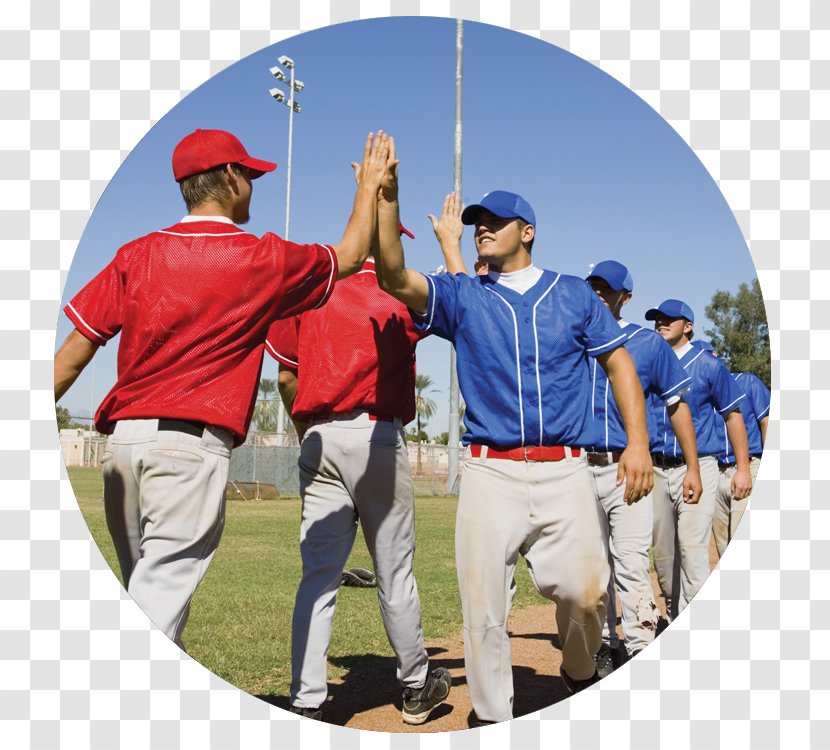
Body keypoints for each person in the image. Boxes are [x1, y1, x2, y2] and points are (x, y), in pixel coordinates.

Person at [53, 127, 392, 647]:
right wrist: (369, 187)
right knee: (155, 609)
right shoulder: (262, 258)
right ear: (231, 177)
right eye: (250, 175)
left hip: (121, 448)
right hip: (187, 452)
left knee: (149, 600)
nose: (253, 185)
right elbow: (348, 256)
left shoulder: (136, 253)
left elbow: (74, 353)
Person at [374, 183, 653, 726]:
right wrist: (387, 205)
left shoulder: (573, 294)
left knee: (588, 591)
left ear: (527, 232)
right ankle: (491, 715)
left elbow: (620, 366)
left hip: (565, 468)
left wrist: (637, 443)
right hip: (489, 470)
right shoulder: (464, 295)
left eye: (497, 220)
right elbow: (394, 277)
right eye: (478, 221)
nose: (483, 227)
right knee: (483, 609)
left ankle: (577, 664)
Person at [265, 187, 451, 725]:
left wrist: (306, 429)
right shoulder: (401, 294)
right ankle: (416, 685)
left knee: (318, 577)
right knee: (395, 571)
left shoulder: (310, 284)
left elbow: (284, 374)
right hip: (377, 437)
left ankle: (307, 699)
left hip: (320, 435)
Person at [583, 262, 702, 673]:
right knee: (592, 565)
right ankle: (605, 643)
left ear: (625, 297)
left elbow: (677, 406)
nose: (598, 292)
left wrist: (693, 467)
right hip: (578, 466)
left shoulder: (648, 344)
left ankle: (638, 648)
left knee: (631, 562)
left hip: (627, 466)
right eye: (593, 285)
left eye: (607, 287)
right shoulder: (573, 337)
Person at [646, 300, 752, 622]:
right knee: (664, 559)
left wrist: (744, 469)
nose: (661, 323)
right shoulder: (650, 362)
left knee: (692, 552)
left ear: (688, 326)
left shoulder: (708, 365)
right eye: (657, 319)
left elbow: (733, 415)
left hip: (699, 466)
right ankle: (672, 616)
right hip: (655, 468)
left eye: (669, 319)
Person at [689, 342, 770, 556]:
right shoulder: (698, 395)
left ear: (714, 355)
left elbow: (766, 422)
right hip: (714, 471)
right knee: (722, 542)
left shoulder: (747, 381)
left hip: (747, 466)